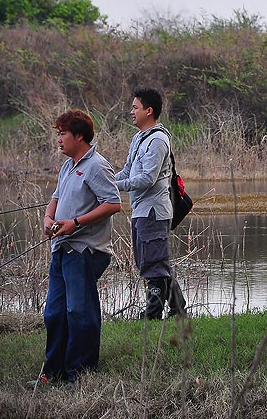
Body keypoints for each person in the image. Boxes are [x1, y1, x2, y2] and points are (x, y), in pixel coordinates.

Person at [42, 110, 121, 384]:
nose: (59, 140)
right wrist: (48, 218)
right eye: (58, 134)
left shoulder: (97, 165)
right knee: (54, 312)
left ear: (79, 136)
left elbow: (113, 204)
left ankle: (80, 374)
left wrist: (75, 222)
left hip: (85, 250)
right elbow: (56, 197)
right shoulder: (67, 165)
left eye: (63, 134)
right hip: (61, 249)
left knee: (79, 312)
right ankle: (52, 372)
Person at [115, 88, 186, 319]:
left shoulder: (158, 140)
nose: (131, 111)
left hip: (154, 211)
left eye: (135, 107)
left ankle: (153, 313)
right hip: (141, 210)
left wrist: (117, 187)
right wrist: (104, 183)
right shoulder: (138, 138)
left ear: (149, 111)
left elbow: (148, 178)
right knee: (152, 260)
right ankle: (178, 310)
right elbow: (127, 171)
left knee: (154, 263)